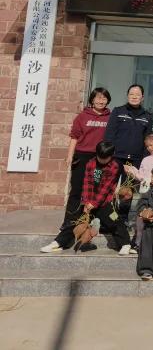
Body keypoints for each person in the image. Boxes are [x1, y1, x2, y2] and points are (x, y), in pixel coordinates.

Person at [42, 88, 112, 253]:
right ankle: (68, 222)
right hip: (82, 157)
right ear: (92, 100)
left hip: (100, 158)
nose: (101, 101)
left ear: (108, 101)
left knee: (96, 191)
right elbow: (74, 137)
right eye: (98, 98)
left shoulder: (110, 117)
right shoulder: (82, 116)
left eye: (104, 98)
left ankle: (92, 222)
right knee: (76, 191)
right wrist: (69, 155)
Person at [47, 141, 131, 254]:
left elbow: (106, 188)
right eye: (99, 157)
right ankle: (57, 242)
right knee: (75, 221)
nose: (101, 160)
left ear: (111, 156)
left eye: (105, 158)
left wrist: (94, 203)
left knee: (115, 220)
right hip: (89, 202)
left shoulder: (114, 166)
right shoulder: (91, 163)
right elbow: (86, 183)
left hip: (105, 202)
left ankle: (126, 244)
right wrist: (86, 201)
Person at [104, 84, 152, 168]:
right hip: (116, 157)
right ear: (127, 96)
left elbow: (148, 139)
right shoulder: (118, 111)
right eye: (131, 94)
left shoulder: (147, 116)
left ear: (142, 98)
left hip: (137, 159)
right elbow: (109, 135)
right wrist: (109, 154)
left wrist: (145, 158)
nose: (134, 97)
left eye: (137, 95)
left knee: (131, 178)